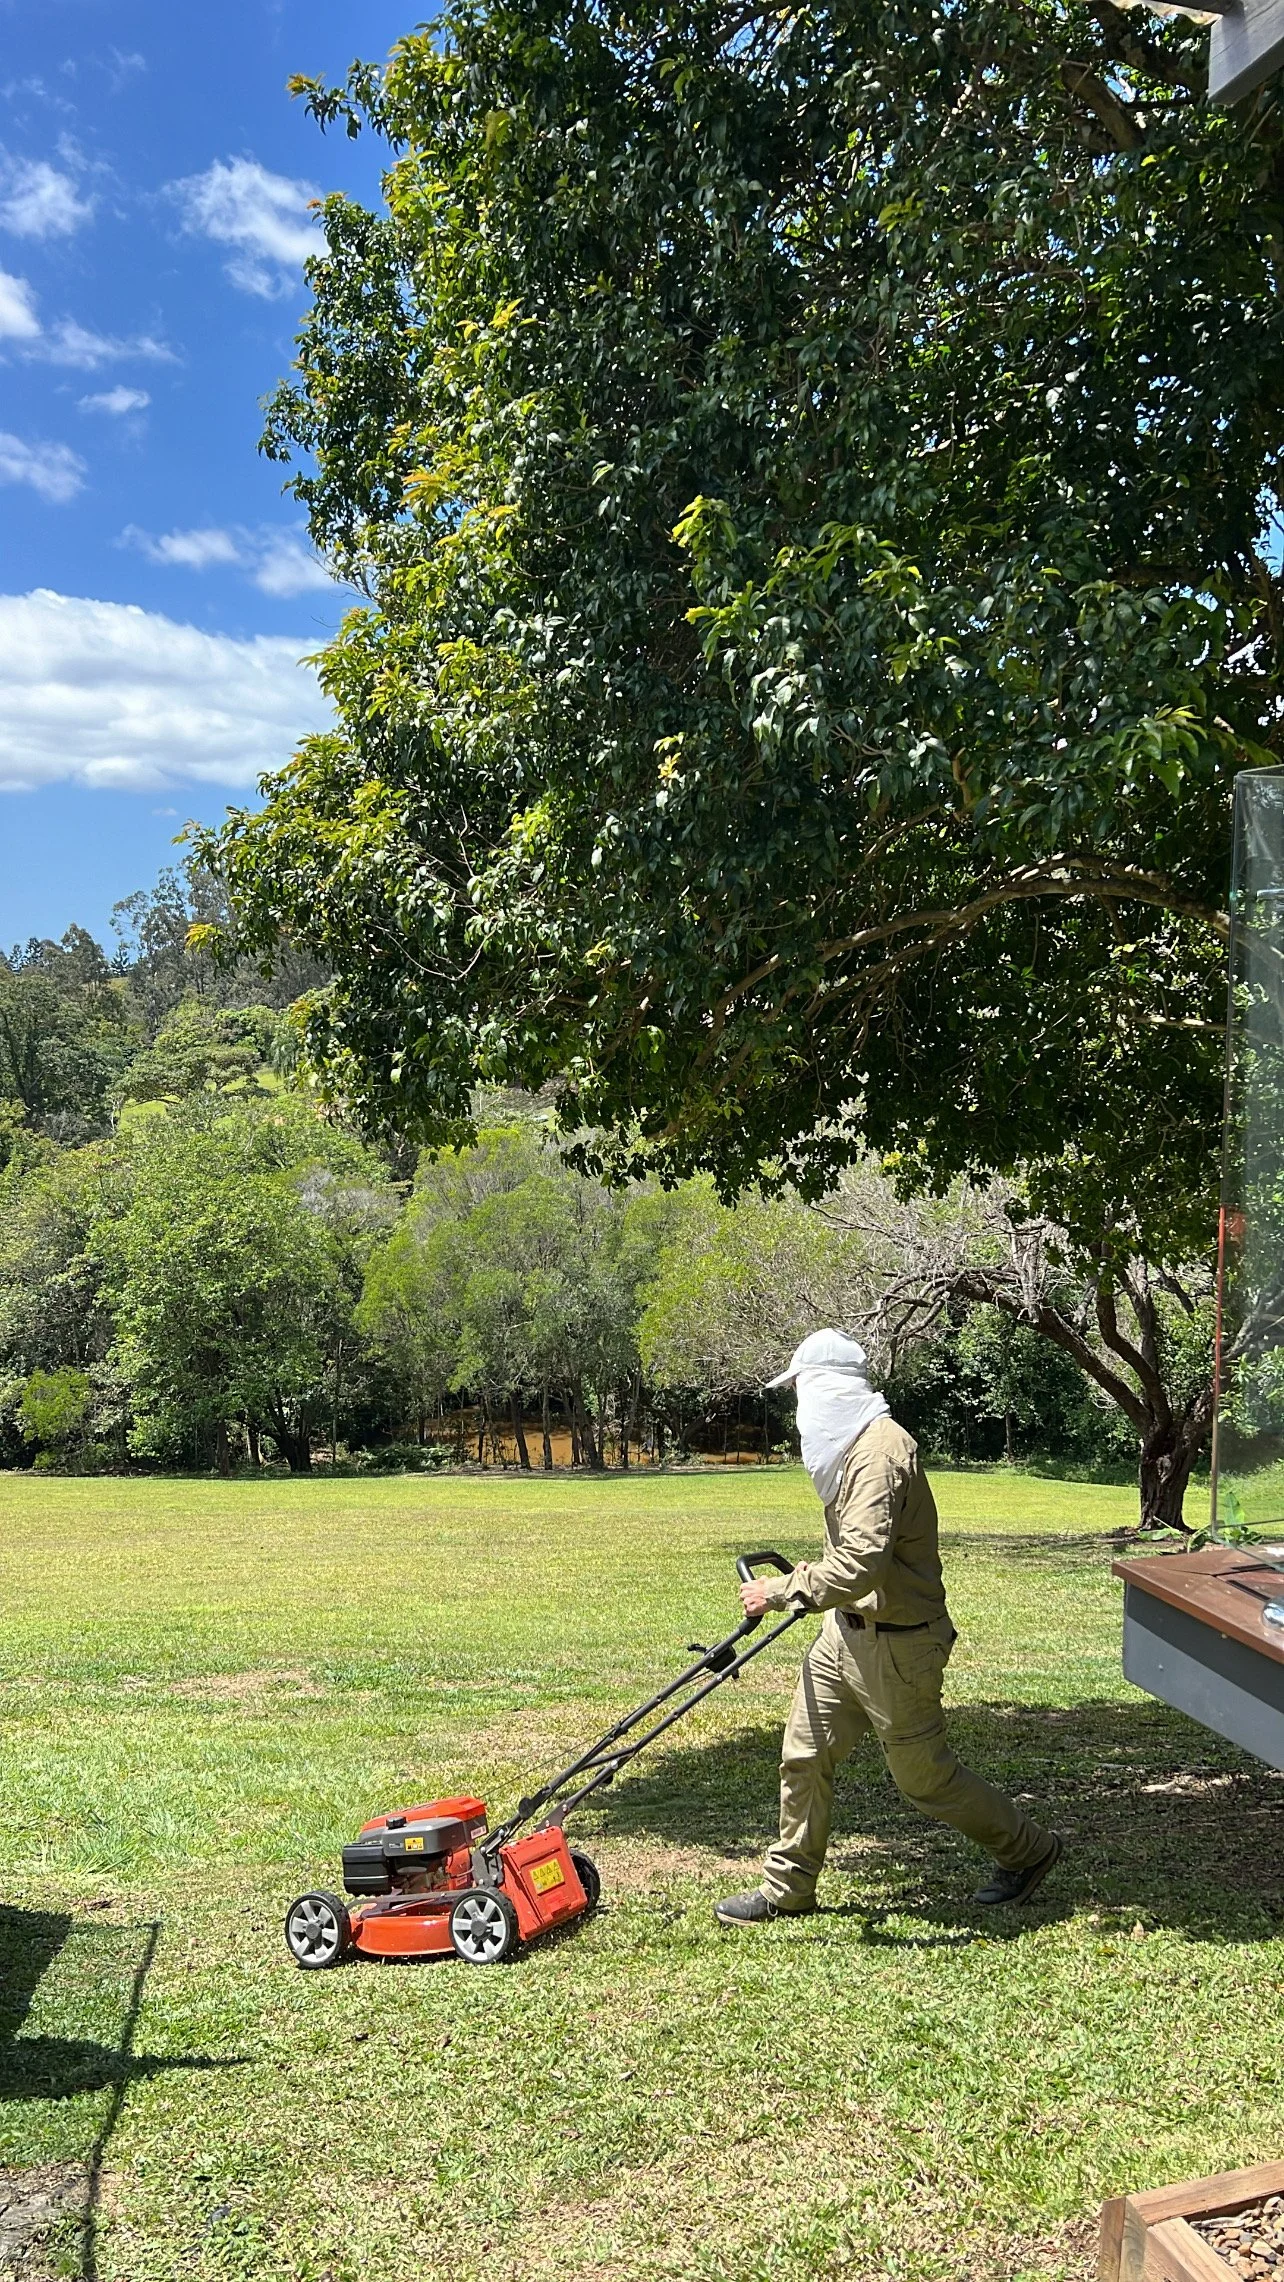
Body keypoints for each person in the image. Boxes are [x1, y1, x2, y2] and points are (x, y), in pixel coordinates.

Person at [716, 1328, 1061, 1926]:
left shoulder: (879, 1455)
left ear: (826, 1387)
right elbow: (851, 1559)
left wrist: (778, 1591)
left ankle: (1029, 1851)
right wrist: (808, 1581)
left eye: (800, 1389)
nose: (797, 1408)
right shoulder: (851, 1446)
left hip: (900, 1644)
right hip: (845, 1632)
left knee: (923, 1780)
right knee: (804, 1755)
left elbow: (860, 1564)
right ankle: (788, 1887)